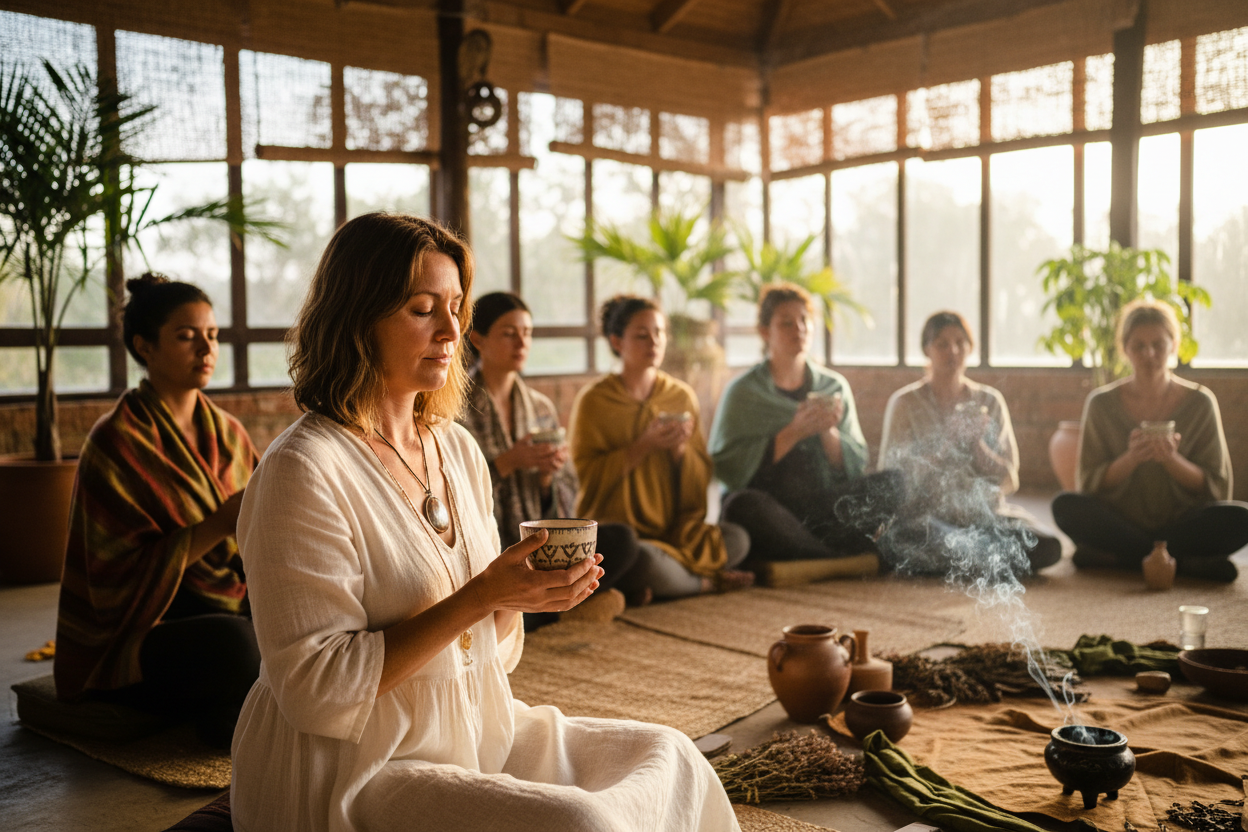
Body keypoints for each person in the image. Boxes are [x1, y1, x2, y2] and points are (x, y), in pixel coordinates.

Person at [229, 214, 738, 832]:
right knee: (579, 823)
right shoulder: (303, 469)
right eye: (422, 309)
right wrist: (482, 597)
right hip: (356, 764)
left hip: (471, 726)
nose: (452, 331)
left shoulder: (456, 449)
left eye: (456, 307)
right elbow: (315, 690)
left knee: (672, 755)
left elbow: (485, 652)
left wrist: (523, 596)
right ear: (358, 317)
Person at [54, 273, 260, 748]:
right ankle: (237, 707)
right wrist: (220, 523)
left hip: (227, 600)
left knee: (308, 618)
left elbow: (256, 546)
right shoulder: (115, 442)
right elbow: (112, 582)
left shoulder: (228, 432)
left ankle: (234, 710)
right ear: (144, 347)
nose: (206, 350)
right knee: (237, 647)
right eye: (187, 337)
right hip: (147, 627)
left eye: (212, 336)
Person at [459, 291, 642, 623]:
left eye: (527, 333)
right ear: (478, 339)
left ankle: (544, 609)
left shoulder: (540, 407)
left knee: (623, 542)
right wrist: (509, 461)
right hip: (489, 548)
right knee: (473, 578)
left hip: (541, 545)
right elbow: (452, 491)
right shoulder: (458, 408)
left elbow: (563, 496)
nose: (521, 343)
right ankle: (555, 610)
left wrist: (546, 479)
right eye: (508, 333)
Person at [569, 295, 753, 599]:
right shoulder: (594, 401)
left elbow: (701, 473)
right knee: (640, 558)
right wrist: (642, 446)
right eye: (641, 335)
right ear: (617, 341)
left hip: (676, 531)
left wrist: (679, 451)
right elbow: (586, 477)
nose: (653, 342)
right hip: (624, 535)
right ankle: (705, 583)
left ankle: (654, 586)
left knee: (738, 539)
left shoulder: (680, 396)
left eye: (660, 333)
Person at [1052, 299, 1248, 583]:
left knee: (1242, 519)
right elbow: (1089, 485)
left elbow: (1216, 487)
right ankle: (1183, 562)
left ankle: (1122, 560)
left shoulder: (1201, 402)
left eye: (1158, 344)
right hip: (1123, 523)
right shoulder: (1101, 404)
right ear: (1125, 349)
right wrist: (1131, 458)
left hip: (1182, 523)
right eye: (1139, 346)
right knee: (1065, 506)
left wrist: (1172, 460)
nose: (1150, 354)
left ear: (1174, 345)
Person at [709, 283, 902, 565]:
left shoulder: (833, 386)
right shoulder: (743, 392)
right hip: (772, 508)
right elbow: (731, 469)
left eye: (804, 321)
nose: (798, 329)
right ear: (765, 332)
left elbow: (853, 466)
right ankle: (834, 557)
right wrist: (794, 431)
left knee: (894, 483)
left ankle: (810, 554)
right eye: (786, 323)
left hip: (822, 507)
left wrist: (827, 431)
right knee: (739, 507)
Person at [877, 311, 1062, 577]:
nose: (952, 351)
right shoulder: (905, 403)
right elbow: (892, 479)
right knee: (929, 539)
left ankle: (965, 561)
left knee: (1048, 547)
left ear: (970, 348)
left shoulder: (990, 401)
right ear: (927, 349)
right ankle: (977, 560)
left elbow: (1008, 479)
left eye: (960, 343)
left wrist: (977, 444)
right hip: (929, 520)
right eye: (942, 343)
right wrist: (946, 444)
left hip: (985, 518)